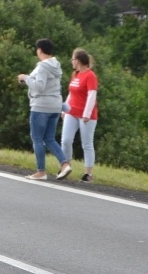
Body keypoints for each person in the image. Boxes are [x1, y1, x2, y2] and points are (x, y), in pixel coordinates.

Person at [18, 39, 73, 180]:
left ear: (40, 50)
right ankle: (65, 164)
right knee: (49, 138)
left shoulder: (42, 66)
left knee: (37, 139)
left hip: (41, 106)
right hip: (55, 106)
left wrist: (25, 78)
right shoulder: (56, 65)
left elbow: (39, 86)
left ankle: (41, 172)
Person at [61, 48, 99, 182]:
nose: (72, 62)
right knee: (65, 140)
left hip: (86, 115)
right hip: (72, 112)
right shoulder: (75, 75)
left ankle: (88, 174)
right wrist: (64, 109)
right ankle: (66, 166)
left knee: (87, 144)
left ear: (78, 61)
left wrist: (87, 114)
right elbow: (71, 93)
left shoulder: (90, 76)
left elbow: (91, 95)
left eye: (73, 59)